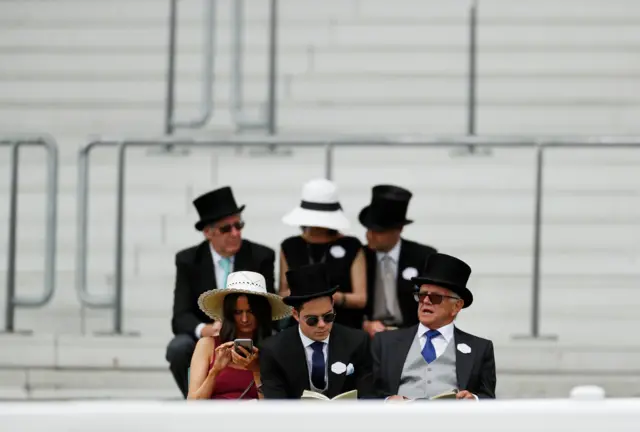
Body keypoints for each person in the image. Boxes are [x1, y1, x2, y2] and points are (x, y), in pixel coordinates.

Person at [166, 186, 276, 398]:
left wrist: (243, 319)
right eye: (226, 229)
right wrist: (209, 329)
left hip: (255, 330)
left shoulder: (260, 255)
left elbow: (267, 306)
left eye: (238, 225)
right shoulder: (188, 260)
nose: (235, 233)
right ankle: (198, 394)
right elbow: (180, 317)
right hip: (210, 335)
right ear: (208, 232)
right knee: (178, 348)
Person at [371, 253, 496, 400]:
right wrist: (388, 401)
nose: (426, 301)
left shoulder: (480, 348)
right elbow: (367, 393)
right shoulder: (385, 342)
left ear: (457, 306)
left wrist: (473, 399)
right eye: (422, 295)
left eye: (436, 297)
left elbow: (488, 397)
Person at [260, 263, 373, 399]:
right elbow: (276, 403)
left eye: (328, 317)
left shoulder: (357, 341)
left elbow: (368, 395)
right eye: (312, 320)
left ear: (332, 305)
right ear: (296, 314)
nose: (322, 325)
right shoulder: (274, 349)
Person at [187, 271, 291, 400]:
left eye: (251, 311)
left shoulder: (275, 349)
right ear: (229, 314)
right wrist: (215, 370)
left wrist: (257, 371)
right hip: (214, 417)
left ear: (262, 312)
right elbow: (193, 404)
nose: (244, 319)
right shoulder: (207, 345)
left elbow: (272, 409)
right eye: (237, 312)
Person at [279, 178, 367, 329]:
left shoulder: (351, 245)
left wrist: (331, 297)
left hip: (343, 325)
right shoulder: (290, 246)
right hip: (301, 327)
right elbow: (282, 293)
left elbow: (361, 298)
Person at [359, 185, 437, 337]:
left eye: (379, 231)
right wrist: (364, 324)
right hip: (368, 337)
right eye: (368, 229)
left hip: (411, 336)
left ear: (399, 229)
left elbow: (436, 304)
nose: (370, 235)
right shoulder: (360, 256)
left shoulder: (423, 256)